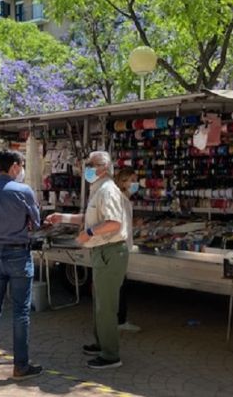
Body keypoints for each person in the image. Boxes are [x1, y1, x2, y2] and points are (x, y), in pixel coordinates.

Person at [46, 151, 130, 369]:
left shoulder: (107, 190)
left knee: (106, 306)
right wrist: (62, 217)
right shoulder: (100, 189)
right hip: (103, 252)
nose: (86, 169)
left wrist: (89, 233)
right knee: (100, 303)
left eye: (90, 165)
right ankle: (101, 343)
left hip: (110, 251)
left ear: (102, 167)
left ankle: (111, 355)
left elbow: (113, 223)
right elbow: (92, 217)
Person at [0, 150, 42, 380]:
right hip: (18, 254)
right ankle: (20, 366)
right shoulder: (23, 190)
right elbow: (36, 223)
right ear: (15, 166)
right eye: (21, 165)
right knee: (20, 312)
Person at [114, 168, 141, 333]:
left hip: (123, 247)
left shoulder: (125, 200)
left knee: (121, 285)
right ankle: (119, 320)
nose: (135, 183)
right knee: (120, 286)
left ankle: (119, 319)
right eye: (132, 180)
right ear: (123, 182)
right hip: (119, 248)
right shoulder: (121, 200)